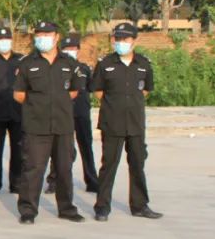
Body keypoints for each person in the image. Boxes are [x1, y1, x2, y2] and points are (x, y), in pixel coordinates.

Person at [13, 20, 87, 224]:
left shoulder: (69, 63)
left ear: (56, 37)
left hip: (63, 125)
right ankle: (28, 210)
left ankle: (67, 208)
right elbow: (18, 94)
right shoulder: (27, 64)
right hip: (36, 126)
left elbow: (74, 91)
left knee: (64, 169)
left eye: (46, 35)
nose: (42, 38)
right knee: (33, 169)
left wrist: (56, 102)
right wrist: (38, 105)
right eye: (39, 35)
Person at [91, 23, 162, 221]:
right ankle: (102, 207)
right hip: (112, 122)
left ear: (134, 41)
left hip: (135, 123)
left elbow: (145, 90)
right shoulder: (105, 63)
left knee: (137, 164)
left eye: (125, 39)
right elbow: (98, 91)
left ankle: (139, 205)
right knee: (109, 165)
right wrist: (116, 105)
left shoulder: (143, 64)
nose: (121, 42)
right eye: (118, 39)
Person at [45, 34, 100, 194]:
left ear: (78, 50)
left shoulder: (84, 69)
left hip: (81, 112)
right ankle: (54, 181)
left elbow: (91, 88)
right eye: (67, 48)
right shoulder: (57, 68)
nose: (70, 51)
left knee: (86, 146)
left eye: (73, 48)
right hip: (63, 112)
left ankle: (92, 180)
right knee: (59, 148)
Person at [0, 27, 24, 196]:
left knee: (19, 150)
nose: (4, 42)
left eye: (6, 39)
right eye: (0, 39)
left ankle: (16, 183)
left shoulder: (21, 60)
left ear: (11, 40)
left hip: (18, 112)